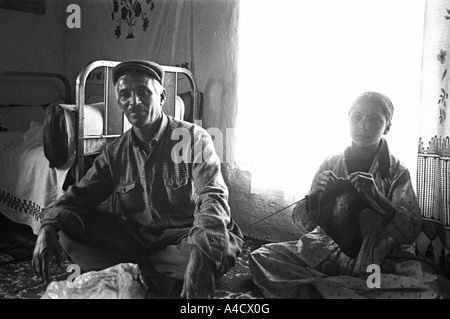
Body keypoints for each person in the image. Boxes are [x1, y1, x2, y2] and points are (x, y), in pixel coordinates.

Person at [32, 60, 243, 299]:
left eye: (144, 91)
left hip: (184, 234)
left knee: (218, 245)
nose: (134, 102)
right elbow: (79, 196)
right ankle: (158, 275)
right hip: (137, 238)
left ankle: (135, 273)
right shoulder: (115, 151)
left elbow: (212, 195)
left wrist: (199, 252)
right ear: (119, 102)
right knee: (68, 231)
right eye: (124, 94)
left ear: (161, 96)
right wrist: (48, 226)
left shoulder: (193, 138)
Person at [249, 92, 450, 299]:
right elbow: (303, 222)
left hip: (378, 259)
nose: (364, 126)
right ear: (348, 120)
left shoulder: (396, 171)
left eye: (374, 120)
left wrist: (377, 197)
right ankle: (347, 290)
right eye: (357, 118)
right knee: (261, 257)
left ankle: (321, 289)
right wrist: (317, 195)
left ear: (387, 127)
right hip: (325, 251)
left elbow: (409, 233)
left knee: (435, 289)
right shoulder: (330, 163)